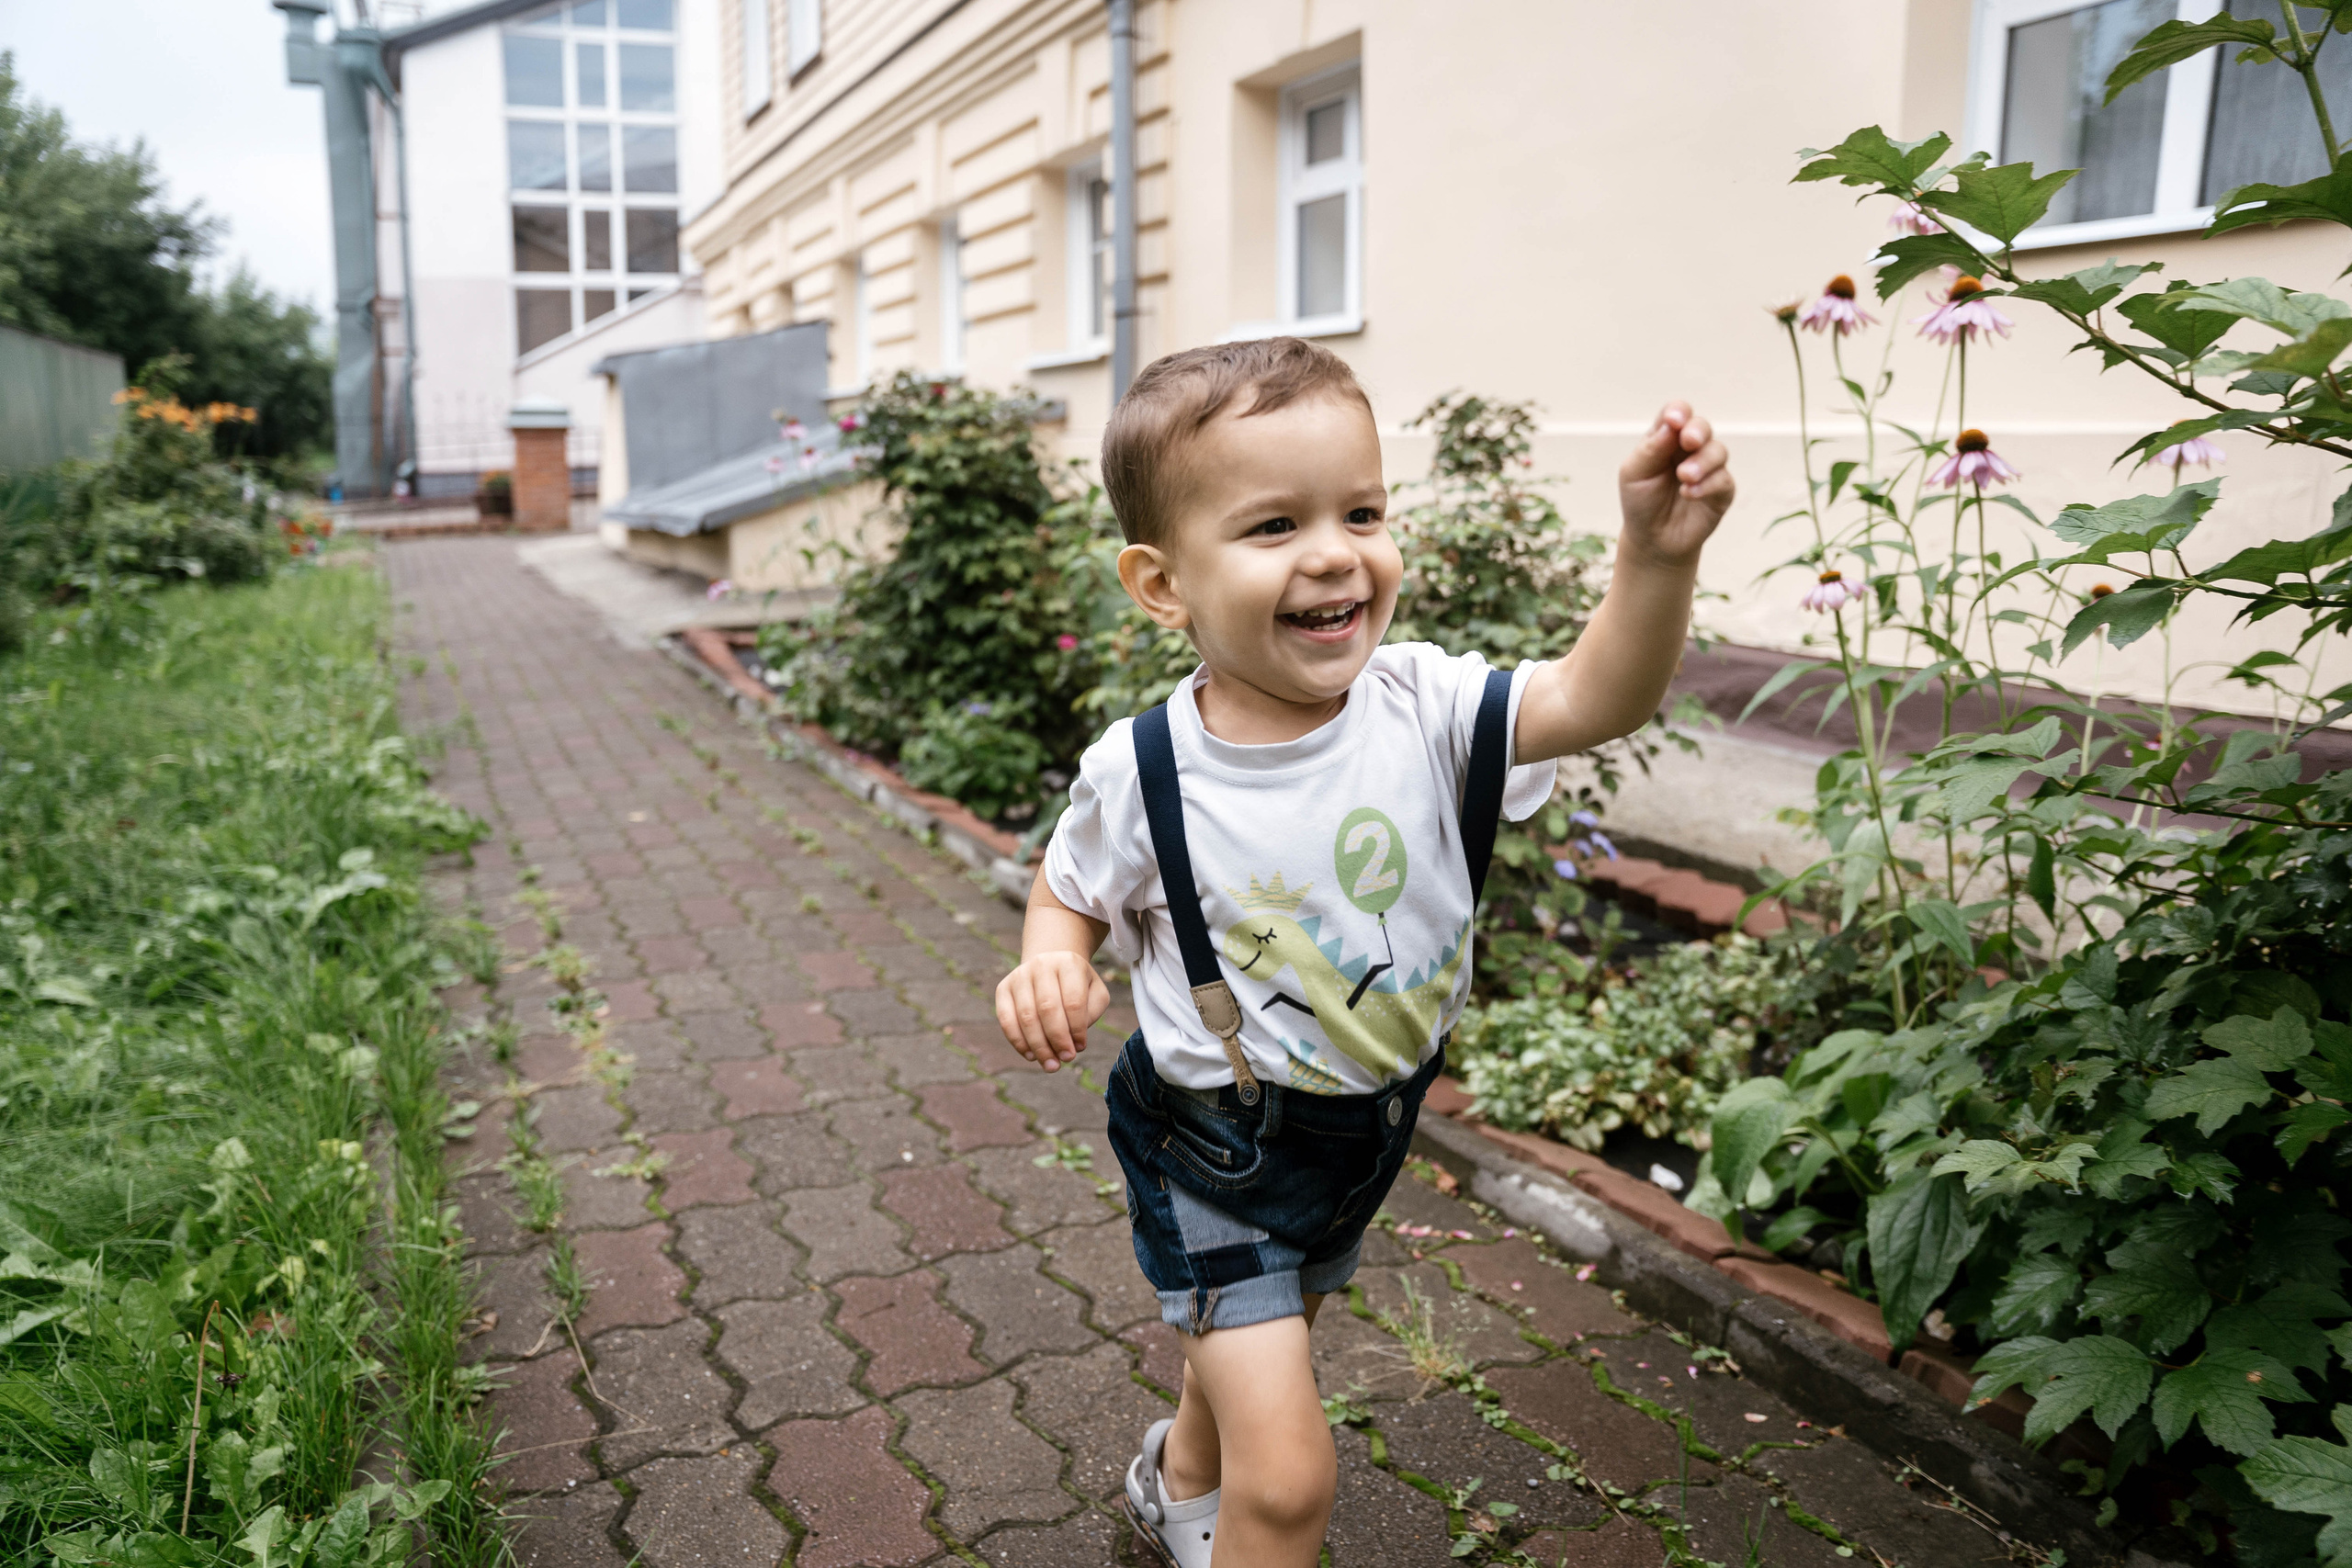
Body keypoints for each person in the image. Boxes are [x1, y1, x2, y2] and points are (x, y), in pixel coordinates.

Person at [993, 338, 1733, 1567]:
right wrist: (1051, 957)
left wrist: (1658, 558)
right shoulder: (1148, 770)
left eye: (1363, 512)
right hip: (1213, 1147)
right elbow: (1067, 889)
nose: (1337, 552)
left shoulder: (1425, 707)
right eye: (1275, 525)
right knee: (1288, 1480)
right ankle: (1226, 1503)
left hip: (1365, 1130)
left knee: (1260, 1345)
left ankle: (1176, 1480)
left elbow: (1596, 697)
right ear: (1162, 584)